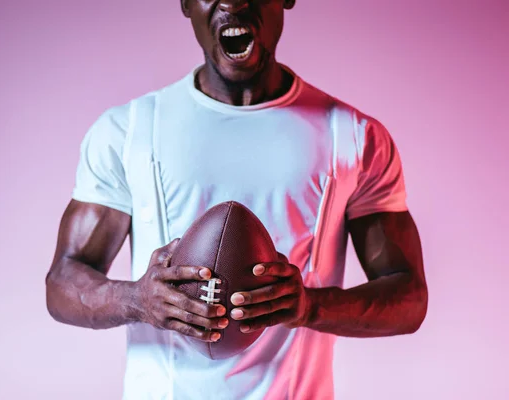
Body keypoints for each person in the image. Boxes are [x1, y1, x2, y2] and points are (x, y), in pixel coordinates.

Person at [45, 1, 428, 399]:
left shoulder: (352, 137)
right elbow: (61, 282)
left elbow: (409, 298)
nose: (234, 1)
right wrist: (137, 300)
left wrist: (309, 306)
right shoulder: (128, 131)